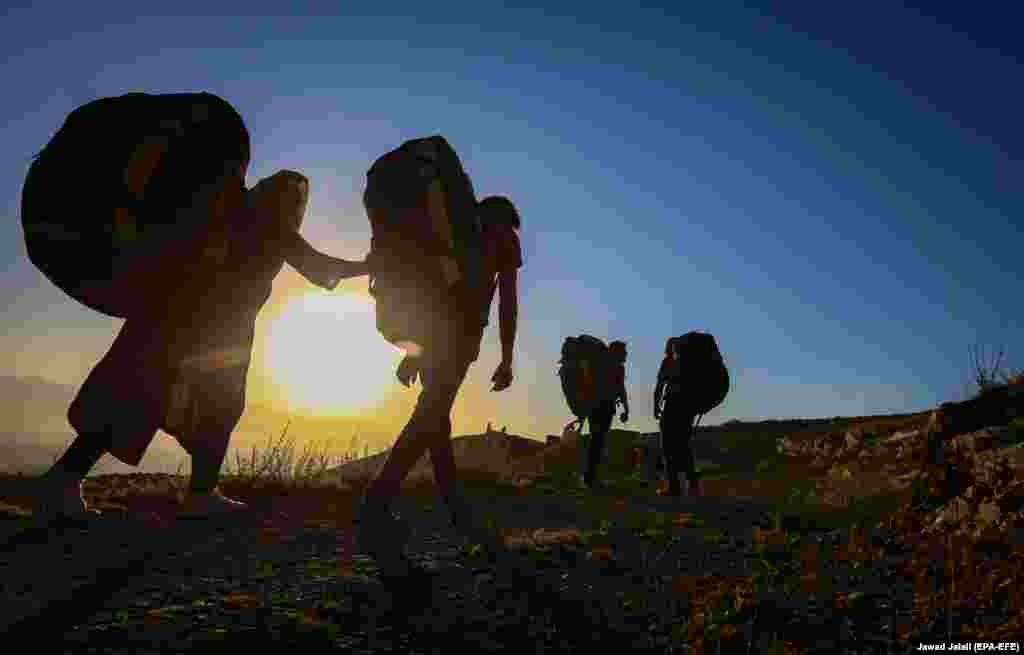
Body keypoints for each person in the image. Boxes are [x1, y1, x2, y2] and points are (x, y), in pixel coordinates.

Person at [33, 166, 370, 524]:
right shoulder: (274, 227)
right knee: (214, 408)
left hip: (166, 325)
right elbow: (319, 268)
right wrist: (369, 265)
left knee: (135, 403)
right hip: (212, 338)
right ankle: (198, 494)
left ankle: (64, 482)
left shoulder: (223, 217)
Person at [356, 194, 522, 572]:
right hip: (460, 337)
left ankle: (456, 508)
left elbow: (436, 292)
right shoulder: (504, 238)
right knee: (429, 416)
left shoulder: (459, 233)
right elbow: (507, 298)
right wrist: (508, 355)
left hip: (430, 332)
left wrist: (416, 350)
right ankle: (374, 506)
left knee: (435, 416)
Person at [579, 340, 630, 492]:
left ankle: (590, 476)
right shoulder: (617, 368)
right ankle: (590, 478)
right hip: (603, 408)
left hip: (596, 406)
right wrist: (626, 409)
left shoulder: (601, 364)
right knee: (597, 441)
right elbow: (621, 388)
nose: (626, 355)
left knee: (596, 441)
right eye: (624, 353)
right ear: (618, 352)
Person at [653, 336, 700, 498]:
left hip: (673, 406)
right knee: (684, 446)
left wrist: (655, 405)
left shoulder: (668, 362)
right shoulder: (691, 363)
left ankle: (674, 487)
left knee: (668, 445)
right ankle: (693, 486)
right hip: (688, 408)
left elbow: (660, 385)